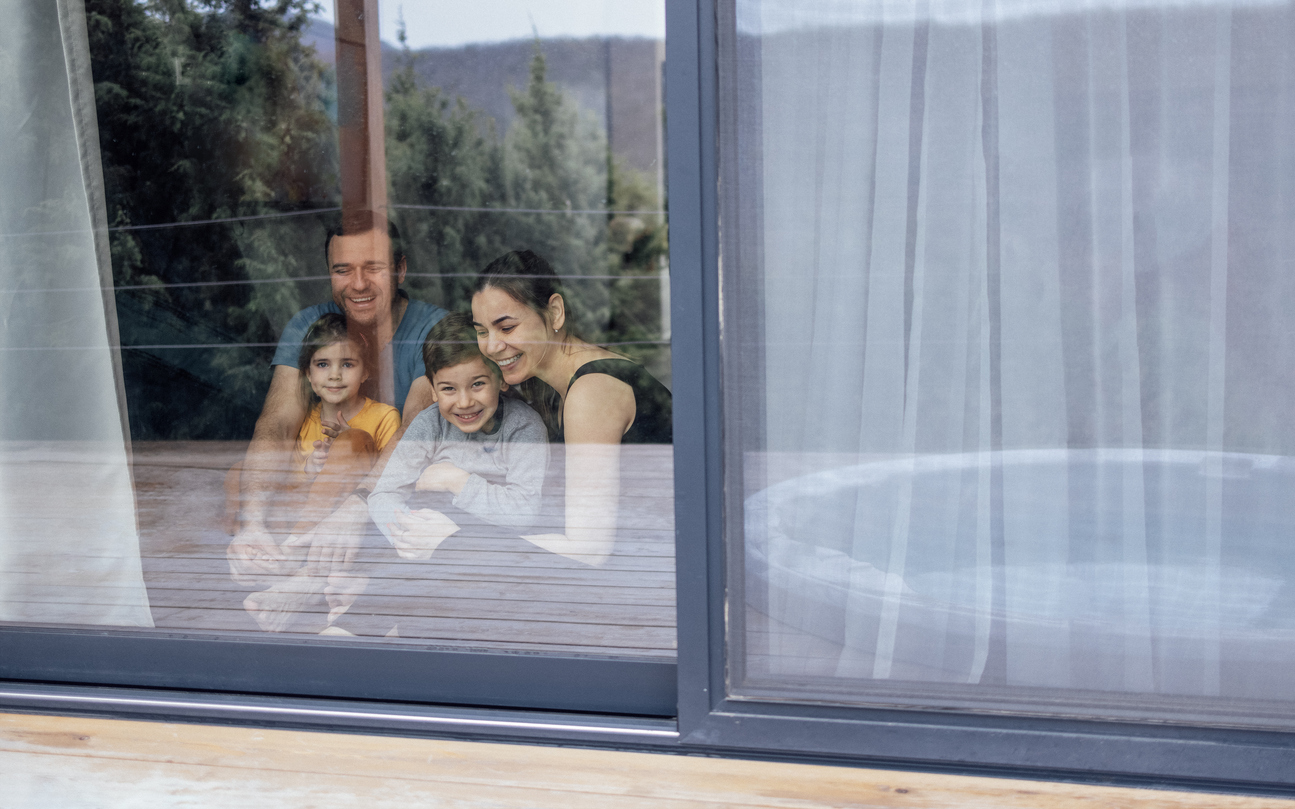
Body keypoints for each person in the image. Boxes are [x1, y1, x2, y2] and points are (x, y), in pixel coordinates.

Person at [227, 214, 448, 584]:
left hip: (392, 499)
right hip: (313, 492)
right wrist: (252, 523)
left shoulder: (434, 330)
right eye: (343, 270)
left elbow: (415, 429)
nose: (358, 284)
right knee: (239, 480)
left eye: (373, 268)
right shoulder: (310, 326)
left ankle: (299, 576)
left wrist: (359, 504)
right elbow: (277, 424)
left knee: (352, 443)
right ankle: (259, 555)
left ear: (401, 270)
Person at [447, 249, 672, 566]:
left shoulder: (591, 392)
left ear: (554, 313)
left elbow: (589, 550)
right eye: (482, 331)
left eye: (507, 327)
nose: (492, 346)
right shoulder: (555, 384)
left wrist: (458, 540)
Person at [232, 313, 400, 631]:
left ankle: (299, 569)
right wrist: (312, 470)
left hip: (353, 531)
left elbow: (388, 473)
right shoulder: (305, 422)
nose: (334, 375)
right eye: (323, 365)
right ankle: (254, 556)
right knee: (239, 473)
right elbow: (291, 489)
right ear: (308, 376)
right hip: (303, 521)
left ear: (366, 372)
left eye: (347, 364)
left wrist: (346, 450)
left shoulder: (383, 416)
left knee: (354, 441)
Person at [368, 312, 549, 556]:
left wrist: (454, 479)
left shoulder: (523, 428)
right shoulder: (430, 425)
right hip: (426, 546)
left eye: (477, 384)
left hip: (496, 553)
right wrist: (405, 535)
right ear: (432, 390)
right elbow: (384, 493)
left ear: (501, 380)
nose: (464, 402)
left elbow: (524, 512)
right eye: (449, 389)